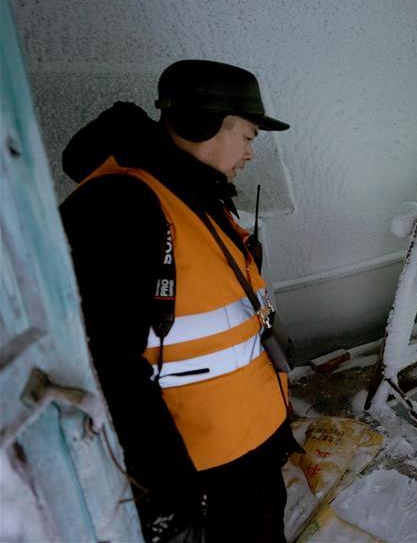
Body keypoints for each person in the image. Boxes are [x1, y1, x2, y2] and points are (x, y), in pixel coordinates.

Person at [59, 60, 299, 542]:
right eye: (249, 136)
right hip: (203, 475)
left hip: (246, 453)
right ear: (205, 123)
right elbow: (103, 363)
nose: (252, 152)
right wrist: (166, 491)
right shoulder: (123, 207)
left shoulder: (196, 194)